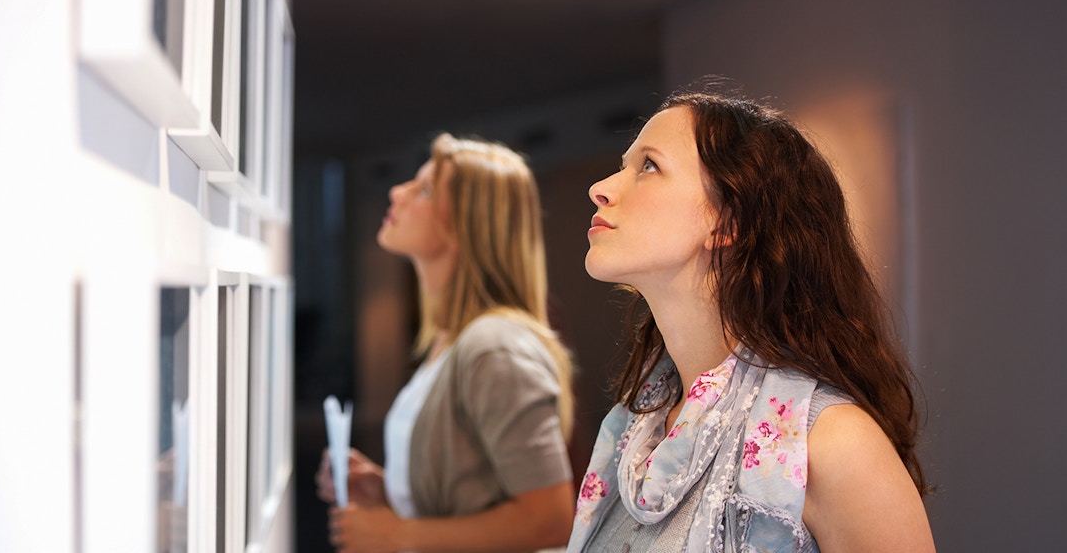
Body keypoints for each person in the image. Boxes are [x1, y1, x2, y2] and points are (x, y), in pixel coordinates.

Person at [570, 79, 935, 553]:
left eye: (649, 166)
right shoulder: (632, 428)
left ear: (729, 222)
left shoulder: (829, 441)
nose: (600, 188)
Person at [317, 133, 577, 553]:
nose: (395, 193)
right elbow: (469, 501)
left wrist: (398, 536)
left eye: (423, 190)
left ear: (464, 225)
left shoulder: (495, 346)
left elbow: (550, 521)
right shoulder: (450, 341)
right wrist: (389, 492)